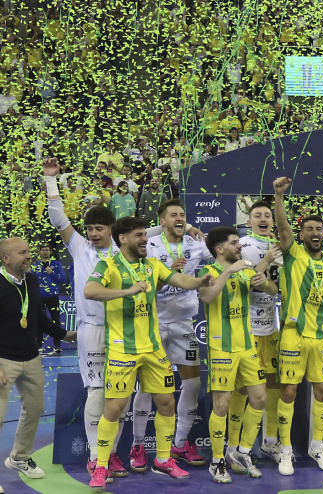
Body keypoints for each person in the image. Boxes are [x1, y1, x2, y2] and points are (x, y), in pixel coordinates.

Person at [43, 157, 202, 477]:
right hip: (93, 329)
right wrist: (50, 180)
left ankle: (113, 454)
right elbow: (58, 217)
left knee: (121, 396)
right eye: (89, 228)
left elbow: (150, 229)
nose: (93, 233)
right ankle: (95, 457)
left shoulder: (125, 251)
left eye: (99, 228)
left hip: (125, 332)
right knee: (97, 393)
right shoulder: (79, 247)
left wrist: (183, 227)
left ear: (113, 231)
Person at [83, 216, 214, 489]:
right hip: (122, 351)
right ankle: (101, 465)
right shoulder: (108, 265)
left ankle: (163, 460)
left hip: (154, 350)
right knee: (114, 409)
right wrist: (127, 291)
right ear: (123, 239)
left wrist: (200, 281)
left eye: (145, 234)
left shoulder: (152, 265)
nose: (145, 239)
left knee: (166, 403)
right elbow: (90, 290)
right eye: (140, 235)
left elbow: (180, 279)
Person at [130, 199, 216, 471]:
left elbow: (220, 250)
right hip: (153, 324)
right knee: (147, 387)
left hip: (183, 324)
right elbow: (141, 283)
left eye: (183, 215)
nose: (179, 218)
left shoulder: (195, 244)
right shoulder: (149, 245)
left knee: (192, 384)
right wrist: (170, 272)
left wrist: (190, 229)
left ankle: (179, 443)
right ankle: (138, 445)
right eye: (173, 215)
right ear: (162, 221)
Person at [272, 176, 323, 474]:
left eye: (319, 229)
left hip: (319, 338)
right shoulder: (293, 253)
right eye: (309, 229)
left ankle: (317, 446)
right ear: (302, 234)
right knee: (289, 392)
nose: (315, 233)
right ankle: (285, 450)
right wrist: (279, 197)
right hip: (292, 335)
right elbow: (282, 227)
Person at [200, 226, 278, 482]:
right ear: (220, 249)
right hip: (221, 348)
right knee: (221, 405)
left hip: (247, 346)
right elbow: (207, 297)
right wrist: (228, 272)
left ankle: (242, 452)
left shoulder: (246, 269)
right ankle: (216, 461)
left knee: (259, 398)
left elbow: (273, 291)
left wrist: (264, 283)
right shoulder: (208, 271)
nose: (240, 246)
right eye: (234, 242)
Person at [0, 238, 76, 492]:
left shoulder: (31, 281)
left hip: (31, 357)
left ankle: (19, 457)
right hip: (3, 359)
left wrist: (64, 334)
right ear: (6, 258)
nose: (29, 256)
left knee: (35, 409)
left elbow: (37, 316)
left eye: (28, 251)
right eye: (22, 253)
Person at [238, 201, 284, 466]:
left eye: (267, 215)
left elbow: (280, 287)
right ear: (250, 221)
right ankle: (237, 447)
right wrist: (265, 262)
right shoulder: (242, 245)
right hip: (248, 326)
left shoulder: (281, 247)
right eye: (258, 215)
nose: (263, 219)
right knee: (244, 387)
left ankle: (269, 441)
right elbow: (247, 282)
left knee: (274, 382)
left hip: (272, 325)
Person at [32, 244, 67, 354]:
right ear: (40, 252)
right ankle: (39, 345)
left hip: (53, 297)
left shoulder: (56, 265)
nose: (45, 252)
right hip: (40, 297)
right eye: (43, 250)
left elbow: (63, 279)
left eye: (47, 250)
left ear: (51, 252)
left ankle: (57, 345)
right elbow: (31, 280)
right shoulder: (36, 266)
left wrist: (51, 273)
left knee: (56, 320)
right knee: (39, 321)